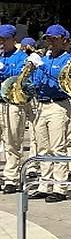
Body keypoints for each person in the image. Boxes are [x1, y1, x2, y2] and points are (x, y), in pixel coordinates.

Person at [26, 25, 71, 202]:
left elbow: (62, 80)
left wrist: (42, 67)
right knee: (43, 147)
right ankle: (44, 183)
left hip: (58, 104)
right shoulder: (44, 59)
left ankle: (60, 186)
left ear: (63, 40)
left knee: (58, 147)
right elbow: (37, 81)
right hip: (42, 104)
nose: (50, 42)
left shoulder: (68, 59)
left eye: (54, 39)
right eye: (48, 39)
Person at [0, 23, 27, 193]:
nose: (1, 42)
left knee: (12, 140)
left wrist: (4, 68)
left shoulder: (21, 56)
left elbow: (19, 75)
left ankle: (11, 177)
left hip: (12, 103)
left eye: (5, 39)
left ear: (13, 39)